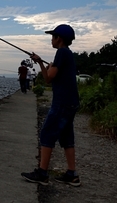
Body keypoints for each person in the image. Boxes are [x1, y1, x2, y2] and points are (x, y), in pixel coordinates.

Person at [21, 24, 81, 186]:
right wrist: (42, 63)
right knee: (66, 137)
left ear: (59, 39)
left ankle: (42, 174)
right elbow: (53, 74)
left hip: (62, 102)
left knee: (47, 134)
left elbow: (48, 78)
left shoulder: (61, 52)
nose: (51, 40)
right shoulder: (67, 54)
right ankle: (72, 174)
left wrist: (40, 62)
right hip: (71, 102)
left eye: (53, 37)